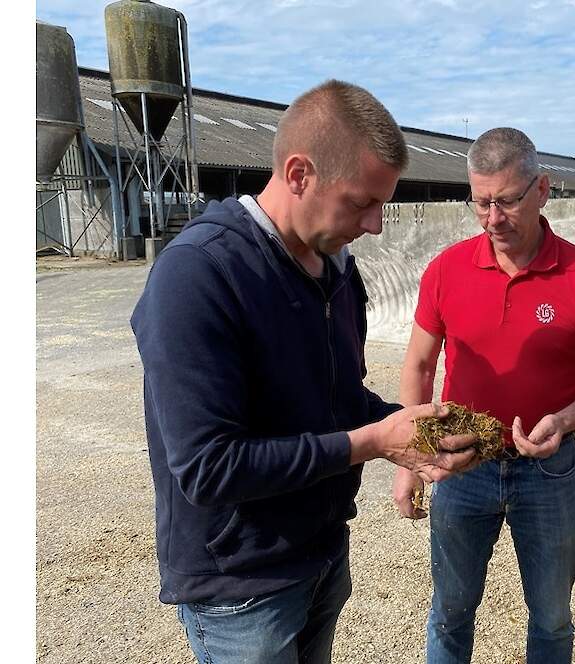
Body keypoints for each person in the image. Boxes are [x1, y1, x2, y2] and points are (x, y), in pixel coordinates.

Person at [130, 79, 477, 664]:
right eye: (362, 202)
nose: (375, 226)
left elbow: (338, 399)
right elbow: (208, 469)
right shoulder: (198, 275)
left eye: (381, 205)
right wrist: (374, 442)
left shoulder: (337, 270)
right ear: (298, 174)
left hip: (320, 554)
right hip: (242, 586)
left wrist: (409, 431)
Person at [392, 127, 575, 664]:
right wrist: (411, 458)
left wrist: (565, 419)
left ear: (543, 189)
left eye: (506, 201)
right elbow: (419, 363)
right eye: (479, 203)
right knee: (450, 612)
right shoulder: (446, 271)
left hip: (547, 473)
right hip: (460, 462)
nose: (492, 219)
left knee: (551, 618)